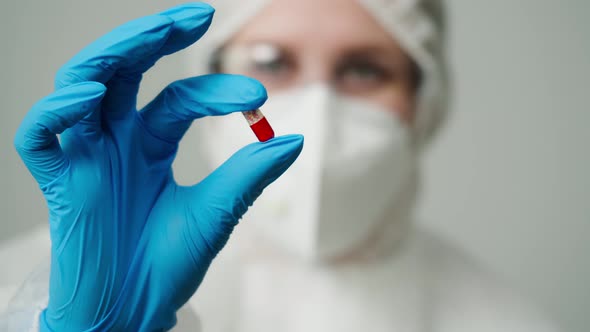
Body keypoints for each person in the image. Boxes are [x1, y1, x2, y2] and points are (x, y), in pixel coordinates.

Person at [1, 1, 559, 331]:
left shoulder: (508, 321)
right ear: (211, 74)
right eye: (271, 61)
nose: (320, 106)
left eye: (365, 70)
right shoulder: (17, 288)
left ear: (425, 103)